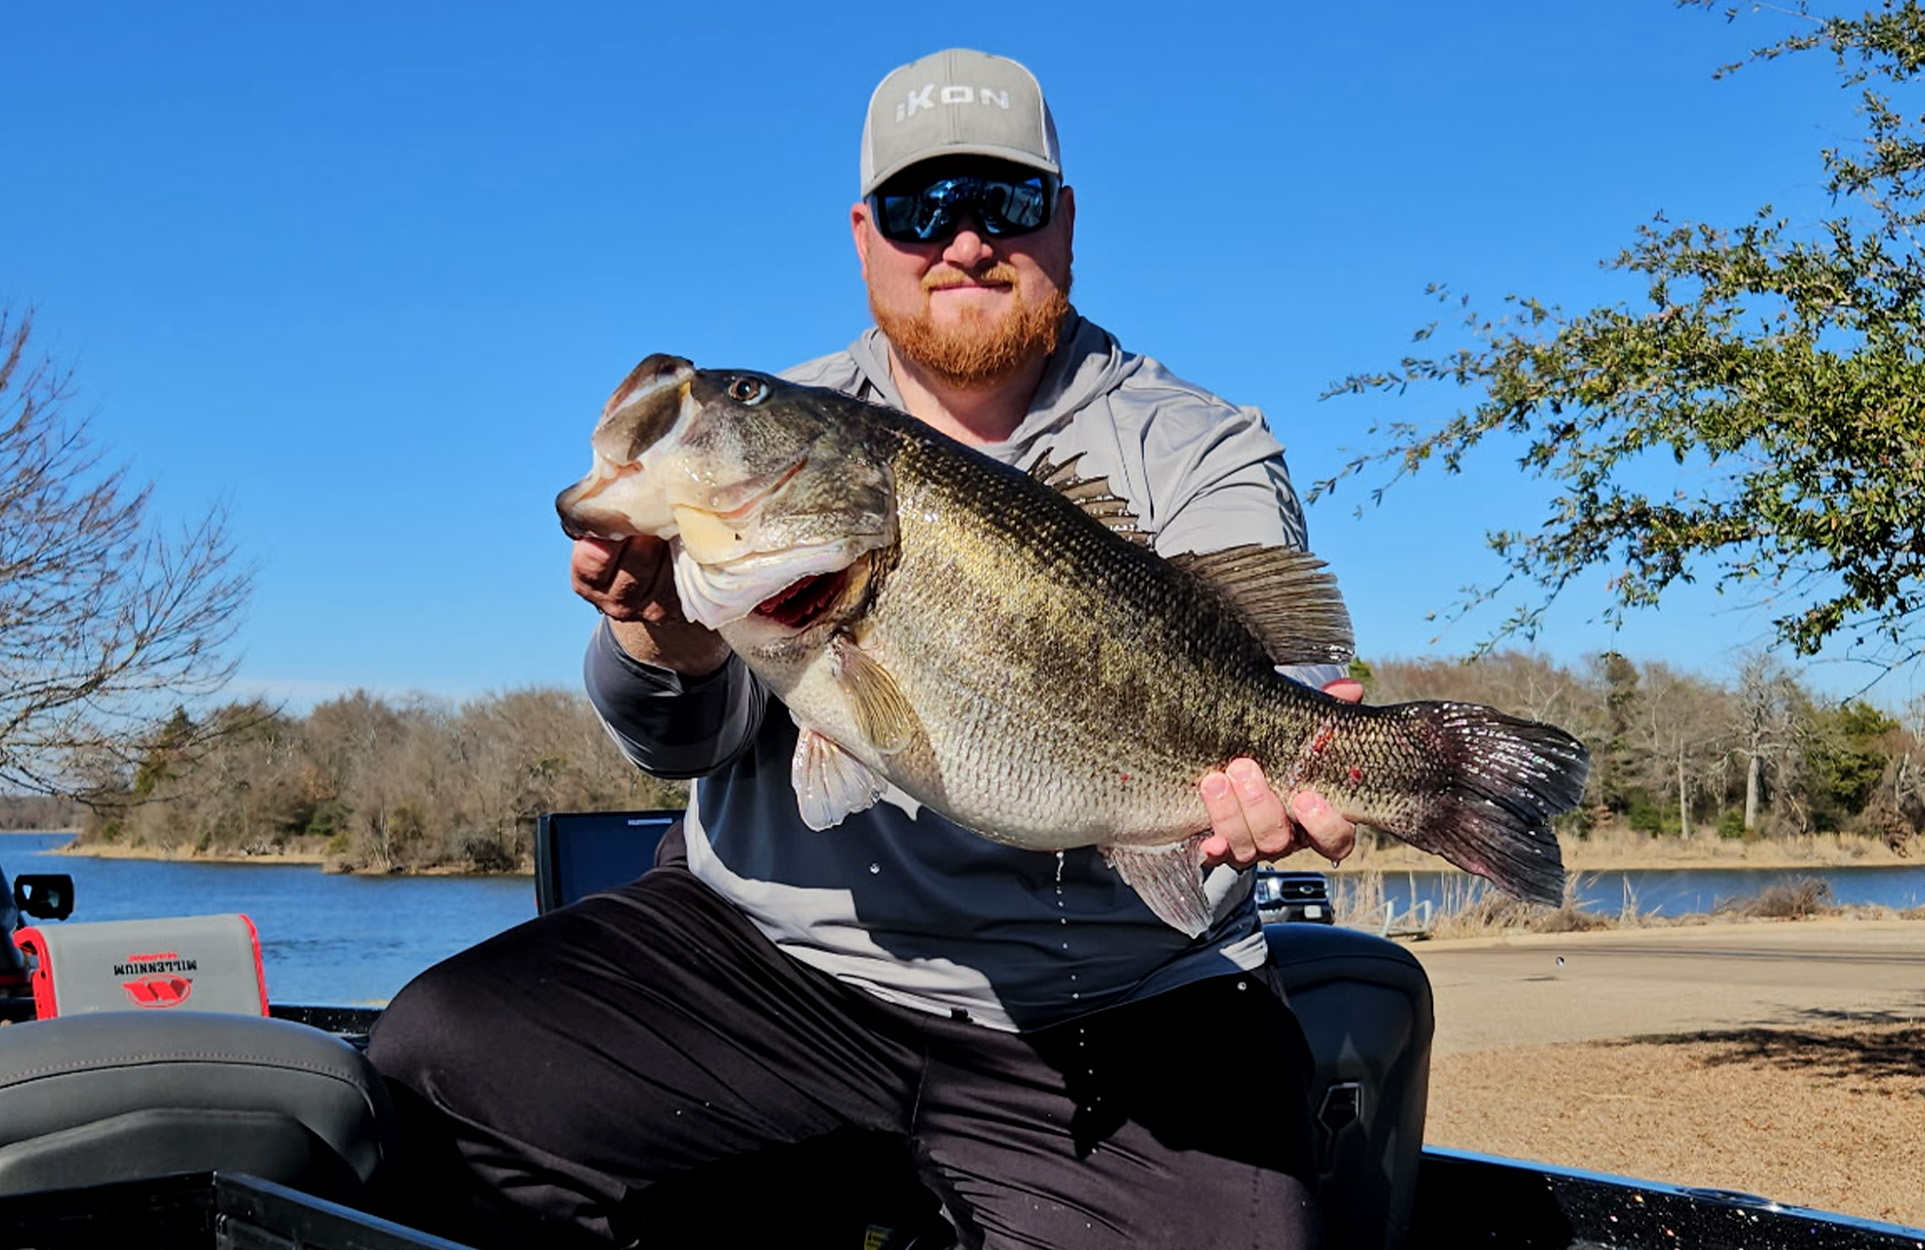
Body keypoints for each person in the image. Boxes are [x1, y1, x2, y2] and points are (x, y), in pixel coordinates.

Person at [369, 48, 1361, 1250]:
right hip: (767, 962)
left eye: (1003, 199)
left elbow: (1276, 675)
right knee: (434, 1062)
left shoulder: (1197, 442)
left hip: (1113, 997)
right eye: (917, 206)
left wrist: (1310, 763)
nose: (961, 239)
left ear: (1064, 216)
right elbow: (683, 742)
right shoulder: (786, 424)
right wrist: (660, 635)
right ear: (860, 231)